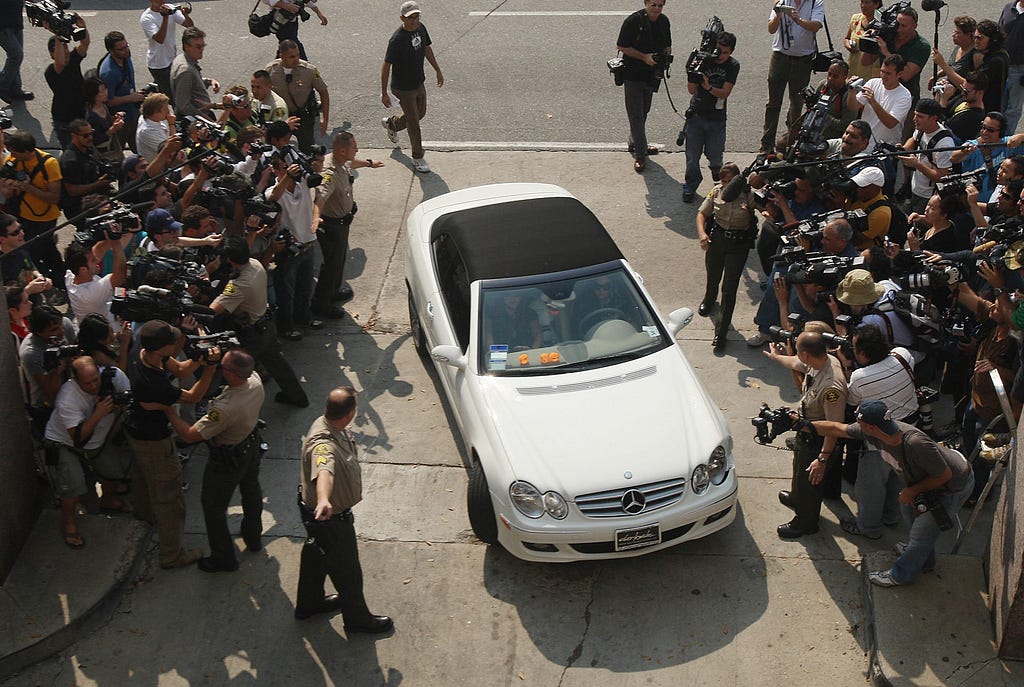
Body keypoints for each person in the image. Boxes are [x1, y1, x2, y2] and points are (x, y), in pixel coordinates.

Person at [806, 399, 973, 586]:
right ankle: (925, 560)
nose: (856, 425)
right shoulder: (877, 431)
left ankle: (900, 575)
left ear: (869, 426)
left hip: (953, 486)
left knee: (921, 534)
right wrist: (801, 424)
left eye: (859, 422)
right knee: (910, 515)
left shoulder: (915, 443)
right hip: (925, 485)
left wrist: (912, 490)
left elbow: (944, 475)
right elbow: (837, 428)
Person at [295, 386, 393, 632]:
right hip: (330, 518)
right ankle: (357, 619)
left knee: (316, 554)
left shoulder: (327, 424)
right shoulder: (324, 443)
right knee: (348, 570)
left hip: (317, 516)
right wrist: (324, 499)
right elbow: (323, 468)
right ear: (350, 414)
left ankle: (310, 603)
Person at [124, 319, 219, 569]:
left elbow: (180, 371)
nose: (176, 344)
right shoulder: (153, 382)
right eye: (172, 342)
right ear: (162, 348)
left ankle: (144, 516)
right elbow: (193, 397)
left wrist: (198, 358)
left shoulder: (142, 352)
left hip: (135, 429)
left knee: (143, 481)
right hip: (154, 441)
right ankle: (171, 555)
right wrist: (210, 368)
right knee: (169, 498)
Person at [161, 349, 265, 573]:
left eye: (223, 366)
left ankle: (223, 557)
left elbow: (190, 435)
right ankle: (254, 537)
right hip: (250, 444)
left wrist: (169, 412)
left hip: (228, 459)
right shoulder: (255, 380)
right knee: (251, 489)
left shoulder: (225, 409)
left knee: (213, 507)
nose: (219, 368)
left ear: (232, 374)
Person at [764, 331, 847, 539]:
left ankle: (806, 522)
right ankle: (797, 497)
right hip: (805, 429)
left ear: (807, 354)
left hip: (819, 438)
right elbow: (796, 363)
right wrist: (776, 356)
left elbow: (834, 426)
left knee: (811, 480)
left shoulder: (832, 386)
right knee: (800, 469)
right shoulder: (820, 361)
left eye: (799, 351)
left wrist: (822, 458)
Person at [839, 324, 919, 540]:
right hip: (911, 433)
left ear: (863, 354)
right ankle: (891, 517)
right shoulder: (903, 355)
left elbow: (853, 402)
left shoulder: (861, 377)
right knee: (897, 478)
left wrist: (847, 367)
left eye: (854, 349)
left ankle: (869, 528)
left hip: (881, 441)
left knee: (870, 487)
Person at [44, 356, 133, 548]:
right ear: (76, 380)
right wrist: (99, 413)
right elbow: (79, 438)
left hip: (98, 441)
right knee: (73, 486)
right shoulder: (67, 398)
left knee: (113, 473)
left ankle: (108, 500)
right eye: (87, 383)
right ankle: (68, 522)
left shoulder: (113, 376)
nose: (93, 386)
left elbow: (130, 398)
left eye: (96, 380)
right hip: (65, 442)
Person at [210, 236, 309, 407]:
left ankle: (228, 409)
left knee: (234, 370)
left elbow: (214, 310)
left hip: (252, 335)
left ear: (230, 259)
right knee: (277, 363)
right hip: (266, 325)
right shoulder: (255, 264)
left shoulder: (239, 285)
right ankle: (297, 397)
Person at [312, 132, 382, 318]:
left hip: (343, 223)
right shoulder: (330, 173)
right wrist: (316, 217)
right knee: (331, 266)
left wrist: (369, 163)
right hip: (332, 226)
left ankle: (333, 292)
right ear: (342, 150)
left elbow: (352, 163)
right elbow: (320, 198)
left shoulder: (342, 162)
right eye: (354, 147)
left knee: (339, 260)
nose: (357, 149)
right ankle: (321, 305)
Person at [696, 162, 755, 351]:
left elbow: (763, 208)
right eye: (724, 180)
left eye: (731, 181)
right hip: (718, 239)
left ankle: (720, 334)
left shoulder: (748, 194)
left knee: (729, 289)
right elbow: (701, 214)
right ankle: (709, 299)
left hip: (738, 244)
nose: (727, 185)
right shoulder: (716, 191)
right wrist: (702, 234)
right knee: (713, 275)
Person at [381, 1, 445, 174]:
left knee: (420, 114)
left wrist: (437, 70)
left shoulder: (421, 28)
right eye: (411, 18)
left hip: (418, 82)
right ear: (402, 18)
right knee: (414, 124)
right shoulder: (397, 40)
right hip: (403, 88)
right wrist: (384, 93)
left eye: (417, 16)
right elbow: (386, 65)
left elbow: (426, 48)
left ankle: (392, 124)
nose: (415, 20)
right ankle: (417, 157)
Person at [760, 0, 824, 155]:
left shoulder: (816, 2)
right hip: (780, 57)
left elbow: (816, 25)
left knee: (797, 103)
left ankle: (791, 143)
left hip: (802, 60)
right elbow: (771, 29)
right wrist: (778, 13)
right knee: (773, 103)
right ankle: (766, 146)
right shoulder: (782, 1)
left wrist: (797, 19)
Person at [615, 0, 672, 174]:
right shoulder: (633, 21)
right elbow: (621, 46)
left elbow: (667, 45)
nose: (656, 9)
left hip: (651, 74)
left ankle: (635, 142)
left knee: (645, 110)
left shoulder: (663, 21)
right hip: (632, 74)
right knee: (636, 115)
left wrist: (664, 58)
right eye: (653, 5)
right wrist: (644, 57)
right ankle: (641, 153)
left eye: (660, 6)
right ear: (646, 3)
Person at [5, 131, 65, 290]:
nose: (11, 155)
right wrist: (10, 186)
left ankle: (42, 283)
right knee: (48, 250)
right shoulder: (13, 161)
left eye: (14, 152)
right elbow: (6, 192)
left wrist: (29, 188)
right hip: (22, 216)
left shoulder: (49, 164)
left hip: (44, 220)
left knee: (31, 254)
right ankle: (61, 279)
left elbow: (54, 197)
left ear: (26, 151)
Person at [681, 32, 737, 203]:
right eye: (718, 50)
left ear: (731, 51)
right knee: (692, 156)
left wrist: (708, 86)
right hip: (697, 115)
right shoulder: (704, 60)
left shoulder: (733, 65)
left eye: (725, 52)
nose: (720, 56)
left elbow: (725, 92)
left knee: (715, 155)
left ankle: (716, 174)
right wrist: (692, 73)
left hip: (717, 118)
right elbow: (691, 90)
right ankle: (690, 185)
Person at [266, 39, 329, 153]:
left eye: (297, 55)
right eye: (291, 56)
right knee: (275, 149)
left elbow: (323, 92)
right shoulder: (271, 70)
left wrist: (325, 118)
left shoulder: (309, 70)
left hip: (302, 116)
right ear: (282, 56)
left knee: (307, 150)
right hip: (280, 115)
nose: (296, 59)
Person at [861, 5, 929, 107]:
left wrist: (886, 52)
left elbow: (905, 75)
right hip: (882, 95)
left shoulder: (921, 46)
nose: (898, 29)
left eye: (903, 26)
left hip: (905, 98)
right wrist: (870, 42)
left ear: (914, 26)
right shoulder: (888, 36)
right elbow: (865, 61)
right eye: (897, 24)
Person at [899, 98, 955, 215]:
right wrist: (903, 149)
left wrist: (917, 164)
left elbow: (942, 177)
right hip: (914, 188)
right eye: (915, 115)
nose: (915, 119)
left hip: (928, 197)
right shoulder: (922, 129)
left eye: (920, 116)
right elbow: (914, 139)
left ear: (933, 118)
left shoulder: (944, 144)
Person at [44, 16, 90, 149]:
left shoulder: (73, 60)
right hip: (64, 119)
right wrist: (58, 35)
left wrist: (82, 26)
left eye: (66, 47)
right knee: (71, 150)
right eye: (60, 48)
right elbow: (60, 62)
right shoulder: (52, 71)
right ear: (52, 54)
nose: (65, 51)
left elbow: (85, 43)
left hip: (80, 113)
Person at [850, 55, 913, 148]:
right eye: (882, 71)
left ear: (899, 74)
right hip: (863, 144)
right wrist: (851, 92)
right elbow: (853, 107)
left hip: (884, 148)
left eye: (888, 73)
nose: (883, 76)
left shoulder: (904, 96)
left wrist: (873, 102)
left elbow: (890, 123)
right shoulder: (873, 83)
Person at [60, 119, 115, 224]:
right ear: (74, 135)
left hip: (95, 203)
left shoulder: (86, 150)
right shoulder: (70, 160)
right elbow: (72, 190)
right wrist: (97, 184)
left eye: (91, 133)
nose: (90, 138)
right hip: (80, 210)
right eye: (85, 136)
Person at [99, 32, 144, 154]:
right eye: (121, 49)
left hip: (133, 114)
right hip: (120, 121)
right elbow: (108, 100)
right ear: (111, 50)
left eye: (126, 46)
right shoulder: (109, 73)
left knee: (141, 152)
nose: (126, 50)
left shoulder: (125, 57)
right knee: (117, 154)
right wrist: (131, 98)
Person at [139, 0, 194, 101]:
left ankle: (152, 89)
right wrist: (165, 17)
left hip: (172, 60)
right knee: (173, 98)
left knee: (176, 91)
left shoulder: (170, 8)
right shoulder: (147, 18)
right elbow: (160, 39)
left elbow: (190, 26)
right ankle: (151, 93)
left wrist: (185, 15)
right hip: (158, 64)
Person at [64, 239, 127, 326]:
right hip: (104, 330)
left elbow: (98, 250)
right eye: (93, 260)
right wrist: (116, 242)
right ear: (83, 270)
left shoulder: (70, 275)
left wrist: (112, 236)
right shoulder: (89, 295)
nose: (98, 260)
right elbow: (119, 276)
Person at [170, 27, 220, 117]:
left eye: (203, 46)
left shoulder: (183, 59)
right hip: (196, 121)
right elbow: (183, 106)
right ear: (186, 46)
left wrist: (209, 81)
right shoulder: (186, 70)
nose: (201, 49)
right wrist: (206, 118)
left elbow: (192, 84)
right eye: (198, 46)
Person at [263, 0, 327, 61]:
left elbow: (305, 1)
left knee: (286, 47)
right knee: (293, 46)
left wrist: (319, 13)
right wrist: (286, 6)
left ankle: (277, 67)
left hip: (291, 22)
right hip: (282, 21)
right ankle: (305, 67)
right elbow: (272, 1)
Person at [83, 76, 126, 165]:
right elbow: (95, 140)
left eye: (105, 89)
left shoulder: (103, 105)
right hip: (104, 153)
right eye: (101, 91)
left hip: (114, 148)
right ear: (93, 94)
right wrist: (112, 130)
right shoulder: (91, 116)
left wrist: (115, 117)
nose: (105, 93)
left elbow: (107, 121)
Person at [942, 71, 987, 143]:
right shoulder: (965, 98)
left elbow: (942, 125)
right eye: (962, 88)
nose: (963, 93)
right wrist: (940, 94)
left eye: (966, 91)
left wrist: (944, 99)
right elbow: (942, 110)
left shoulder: (974, 116)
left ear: (980, 93)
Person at [1000, 0, 1024, 134]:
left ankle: (1005, 144)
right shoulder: (1009, 7)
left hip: (1021, 70)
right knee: (999, 105)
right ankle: (993, 138)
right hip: (1002, 66)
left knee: (1013, 110)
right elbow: (998, 34)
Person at [0, 0, 31, 103]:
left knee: (16, 58)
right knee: (16, 55)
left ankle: (15, 89)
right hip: (3, 25)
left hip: (16, 21)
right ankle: (3, 85)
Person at [845, 0, 882, 80]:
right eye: (862, 2)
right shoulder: (856, 19)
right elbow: (847, 38)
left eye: (867, 2)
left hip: (871, 72)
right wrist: (848, 46)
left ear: (876, 4)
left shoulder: (882, 24)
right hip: (853, 69)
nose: (863, 5)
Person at [135, 92, 174, 161]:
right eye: (165, 109)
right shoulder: (147, 131)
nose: (168, 112)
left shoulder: (156, 118)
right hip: (159, 168)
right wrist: (171, 125)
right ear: (156, 112)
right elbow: (171, 150)